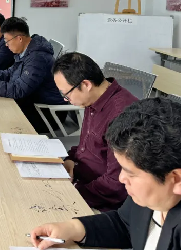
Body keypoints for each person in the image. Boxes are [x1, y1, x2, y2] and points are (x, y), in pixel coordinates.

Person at [30, 98, 181, 250]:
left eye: (130, 173)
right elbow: (125, 223)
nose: (121, 178)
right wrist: (73, 228)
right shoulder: (156, 189)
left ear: (177, 180)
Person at [53, 52, 137, 211]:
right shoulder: (93, 99)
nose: (65, 99)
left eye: (66, 94)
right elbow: (85, 145)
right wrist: (70, 160)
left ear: (86, 84)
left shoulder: (121, 115)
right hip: (81, 179)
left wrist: (74, 192)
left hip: (101, 200)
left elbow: (116, 184)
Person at [0, 17, 66, 133]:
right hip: (32, 103)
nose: (6, 45)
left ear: (19, 38)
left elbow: (19, 90)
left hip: (46, 113)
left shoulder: (37, 58)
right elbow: (10, 73)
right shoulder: (26, 52)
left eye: (7, 41)